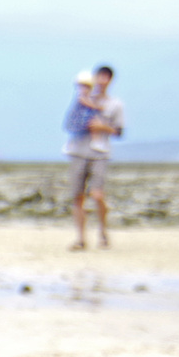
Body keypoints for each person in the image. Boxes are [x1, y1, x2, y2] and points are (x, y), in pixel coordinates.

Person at [64, 65, 125, 251]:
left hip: (100, 153)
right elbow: (71, 122)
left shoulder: (115, 104)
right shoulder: (83, 99)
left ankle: (103, 231)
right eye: (99, 77)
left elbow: (119, 131)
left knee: (97, 194)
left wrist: (102, 127)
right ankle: (81, 239)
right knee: (78, 196)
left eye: (106, 78)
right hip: (79, 150)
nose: (101, 81)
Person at [62, 69, 108, 155]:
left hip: (86, 118)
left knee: (94, 125)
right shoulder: (81, 97)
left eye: (87, 87)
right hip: (79, 119)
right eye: (82, 87)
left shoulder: (90, 97)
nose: (84, 89)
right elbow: (86, 103)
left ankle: (96, 142)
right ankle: (69, 145)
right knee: (75, 135)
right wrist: (97, 107)